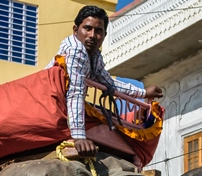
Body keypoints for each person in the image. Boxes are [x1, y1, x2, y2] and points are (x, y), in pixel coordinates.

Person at [46, 6, 163, 157]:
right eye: (87, 29)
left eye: (98, 31)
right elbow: (75, 92)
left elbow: (108, 83)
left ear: (104, 34)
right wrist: (79, 137)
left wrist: (143, 92)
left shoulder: (94, 55)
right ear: (76, 30)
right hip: (51, 103)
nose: (92, 35)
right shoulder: (75, 50)